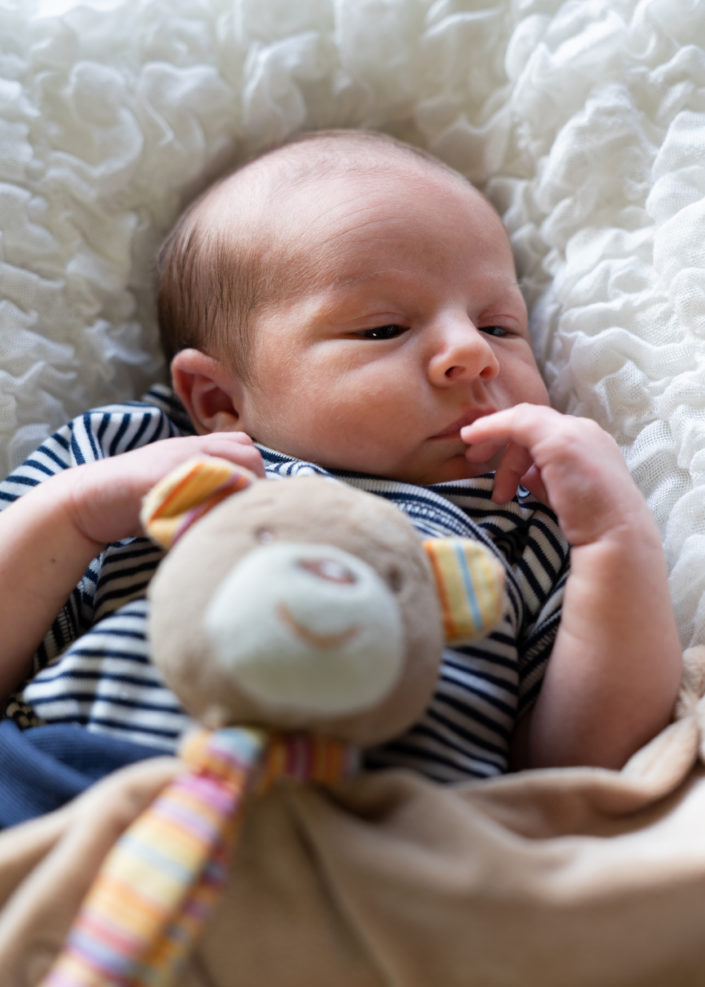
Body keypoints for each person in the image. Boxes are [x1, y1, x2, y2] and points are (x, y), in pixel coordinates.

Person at [0, 129, 682, 798]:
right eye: (383, 329)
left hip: (386, 839)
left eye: (498, 326)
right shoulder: (137, 456)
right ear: (218, 400)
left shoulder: (525, 517)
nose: (471, 352)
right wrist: (73, 515)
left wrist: (615, 538)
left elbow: (581, 769)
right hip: (75, 790)